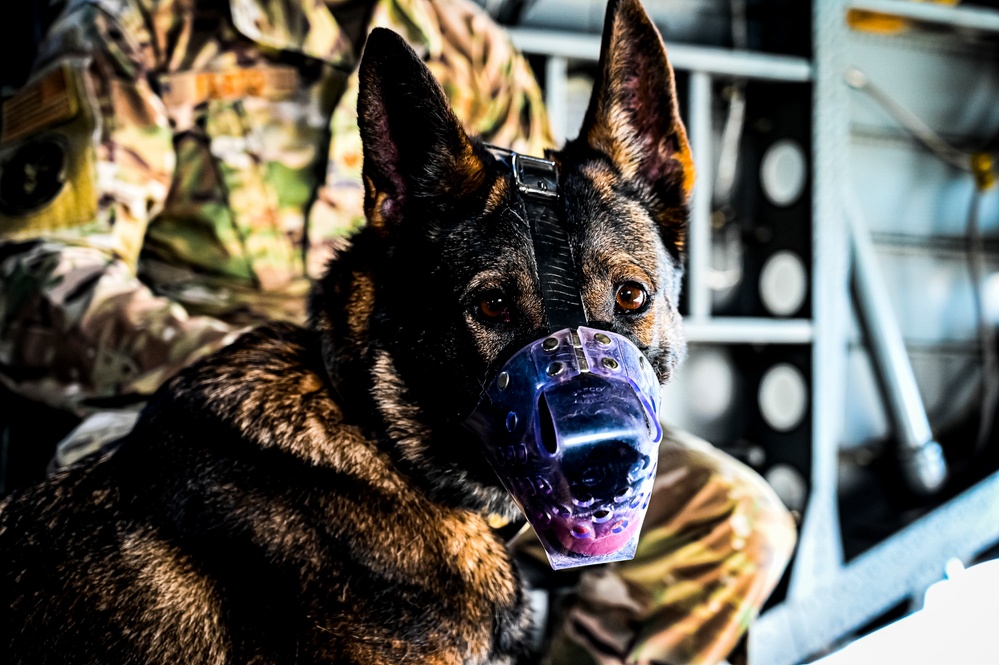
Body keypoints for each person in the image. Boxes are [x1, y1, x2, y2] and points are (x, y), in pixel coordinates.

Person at [0, 0, 796, 662]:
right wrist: (253, 376)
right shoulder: (141, 27)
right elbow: (35, 282)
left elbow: (556, 236)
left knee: (732, 518)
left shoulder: (463, 42)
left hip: (456, 410)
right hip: (196, 412)